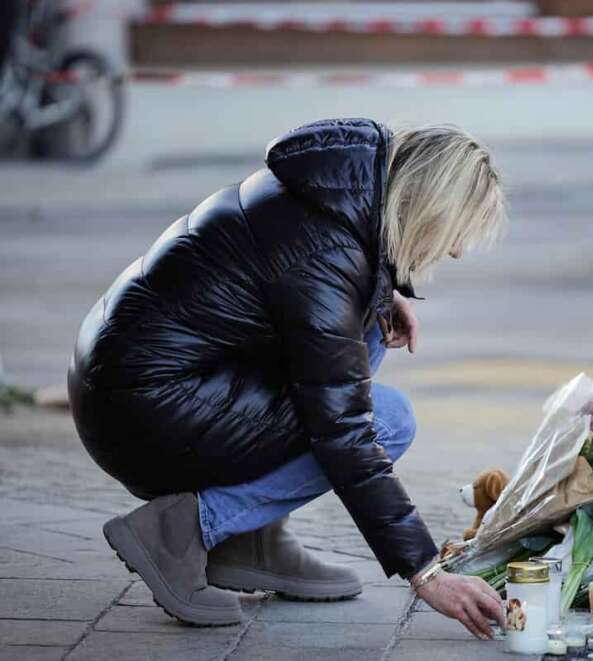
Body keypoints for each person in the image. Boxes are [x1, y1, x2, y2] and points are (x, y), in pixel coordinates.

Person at [67, 118, 507, 639]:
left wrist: (378, 295)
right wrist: (427, 572)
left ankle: (253, 539)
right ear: (429, 206)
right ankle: (179, 531)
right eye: (455, 233)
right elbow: (342, 430)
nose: (454, 251)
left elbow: (285, 291)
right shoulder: (326, 253)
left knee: (367, 330)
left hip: (136, 384)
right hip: (142, 411)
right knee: (388, 421)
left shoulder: (331, 192)